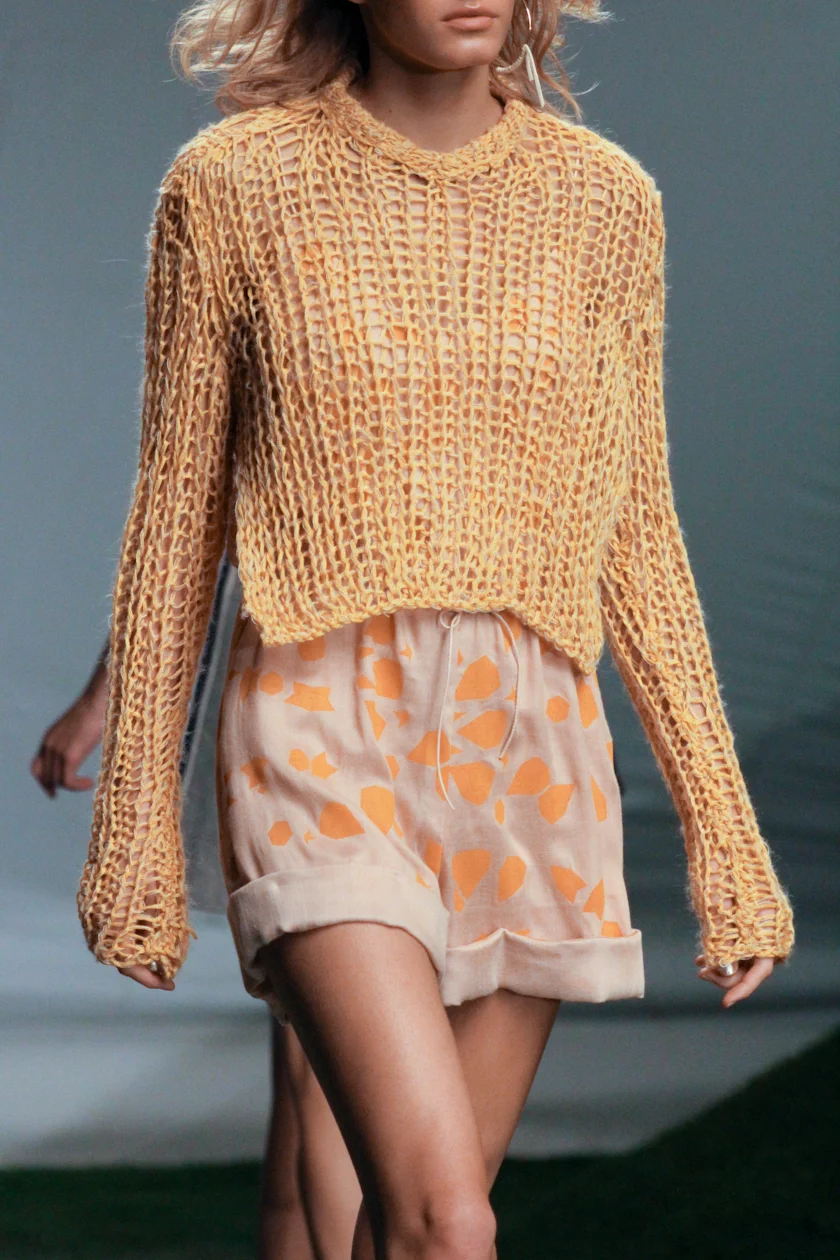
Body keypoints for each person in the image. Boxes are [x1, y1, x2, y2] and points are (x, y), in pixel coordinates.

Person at [75, 2, 796, 1257]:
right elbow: (178, 516)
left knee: (416, 1231)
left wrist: (726, 835)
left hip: (533, 740)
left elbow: (637, 525)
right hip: (315, 718)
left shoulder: (606, 201)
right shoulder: (235, 184)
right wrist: (133, 823)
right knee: (446, 1220)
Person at [30, 578, 361, 1259]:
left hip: (354, 688)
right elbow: (188, 536)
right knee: (329, 1082)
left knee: (312, 1090)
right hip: (321, 698)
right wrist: (105, 699)